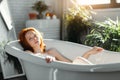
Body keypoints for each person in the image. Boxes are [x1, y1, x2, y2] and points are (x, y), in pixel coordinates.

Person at [18, 27, 103, 64]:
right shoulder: (28, 52)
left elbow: (73, 65)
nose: (34, 39)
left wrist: (89, 52)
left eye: (35, 35)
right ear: (27, 43)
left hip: (68, 74)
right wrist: (44, 58)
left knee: (78, 60)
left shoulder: (52, 52)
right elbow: (30, 57)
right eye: (30, 39)